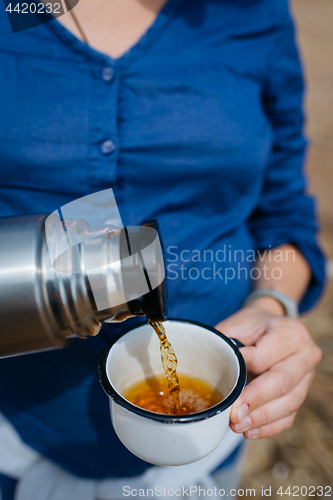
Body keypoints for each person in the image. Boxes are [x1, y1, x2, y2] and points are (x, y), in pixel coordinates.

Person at [0, 0, 325, 498]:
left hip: (205, 453)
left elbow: (282, 214)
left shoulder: (253, 14)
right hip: (17, 435)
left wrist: (274, 304)